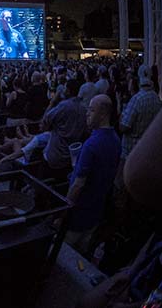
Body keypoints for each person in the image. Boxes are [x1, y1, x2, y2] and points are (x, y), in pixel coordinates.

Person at [77, 93, 162, 308]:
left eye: (91, 110)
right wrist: (134, 269)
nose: (87, 113)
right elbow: (160, 233)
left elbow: (138, 175)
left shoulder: (99, 144)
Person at [64, 95, 120, 254]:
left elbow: (78, 184)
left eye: (91, 110)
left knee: (65, 255)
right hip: (95, 213)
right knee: (83, 253)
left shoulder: (91, 144)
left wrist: (63, 212)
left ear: (102, 114)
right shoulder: (115, 140)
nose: (87, 113)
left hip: (78, 214)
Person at [118, 64, 162, 188]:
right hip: (145, 149)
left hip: (129, 151)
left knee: (121, 186)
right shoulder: (155, 98)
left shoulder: (136, 99)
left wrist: (121, 113)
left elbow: (124, 127)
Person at [42, 79, 87, 180]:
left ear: (69, 91)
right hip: (70, 156)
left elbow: (45, 120)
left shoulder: (65, 105)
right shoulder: (83, 108)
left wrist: (52, 102)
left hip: (55, 155)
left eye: (66, 88)